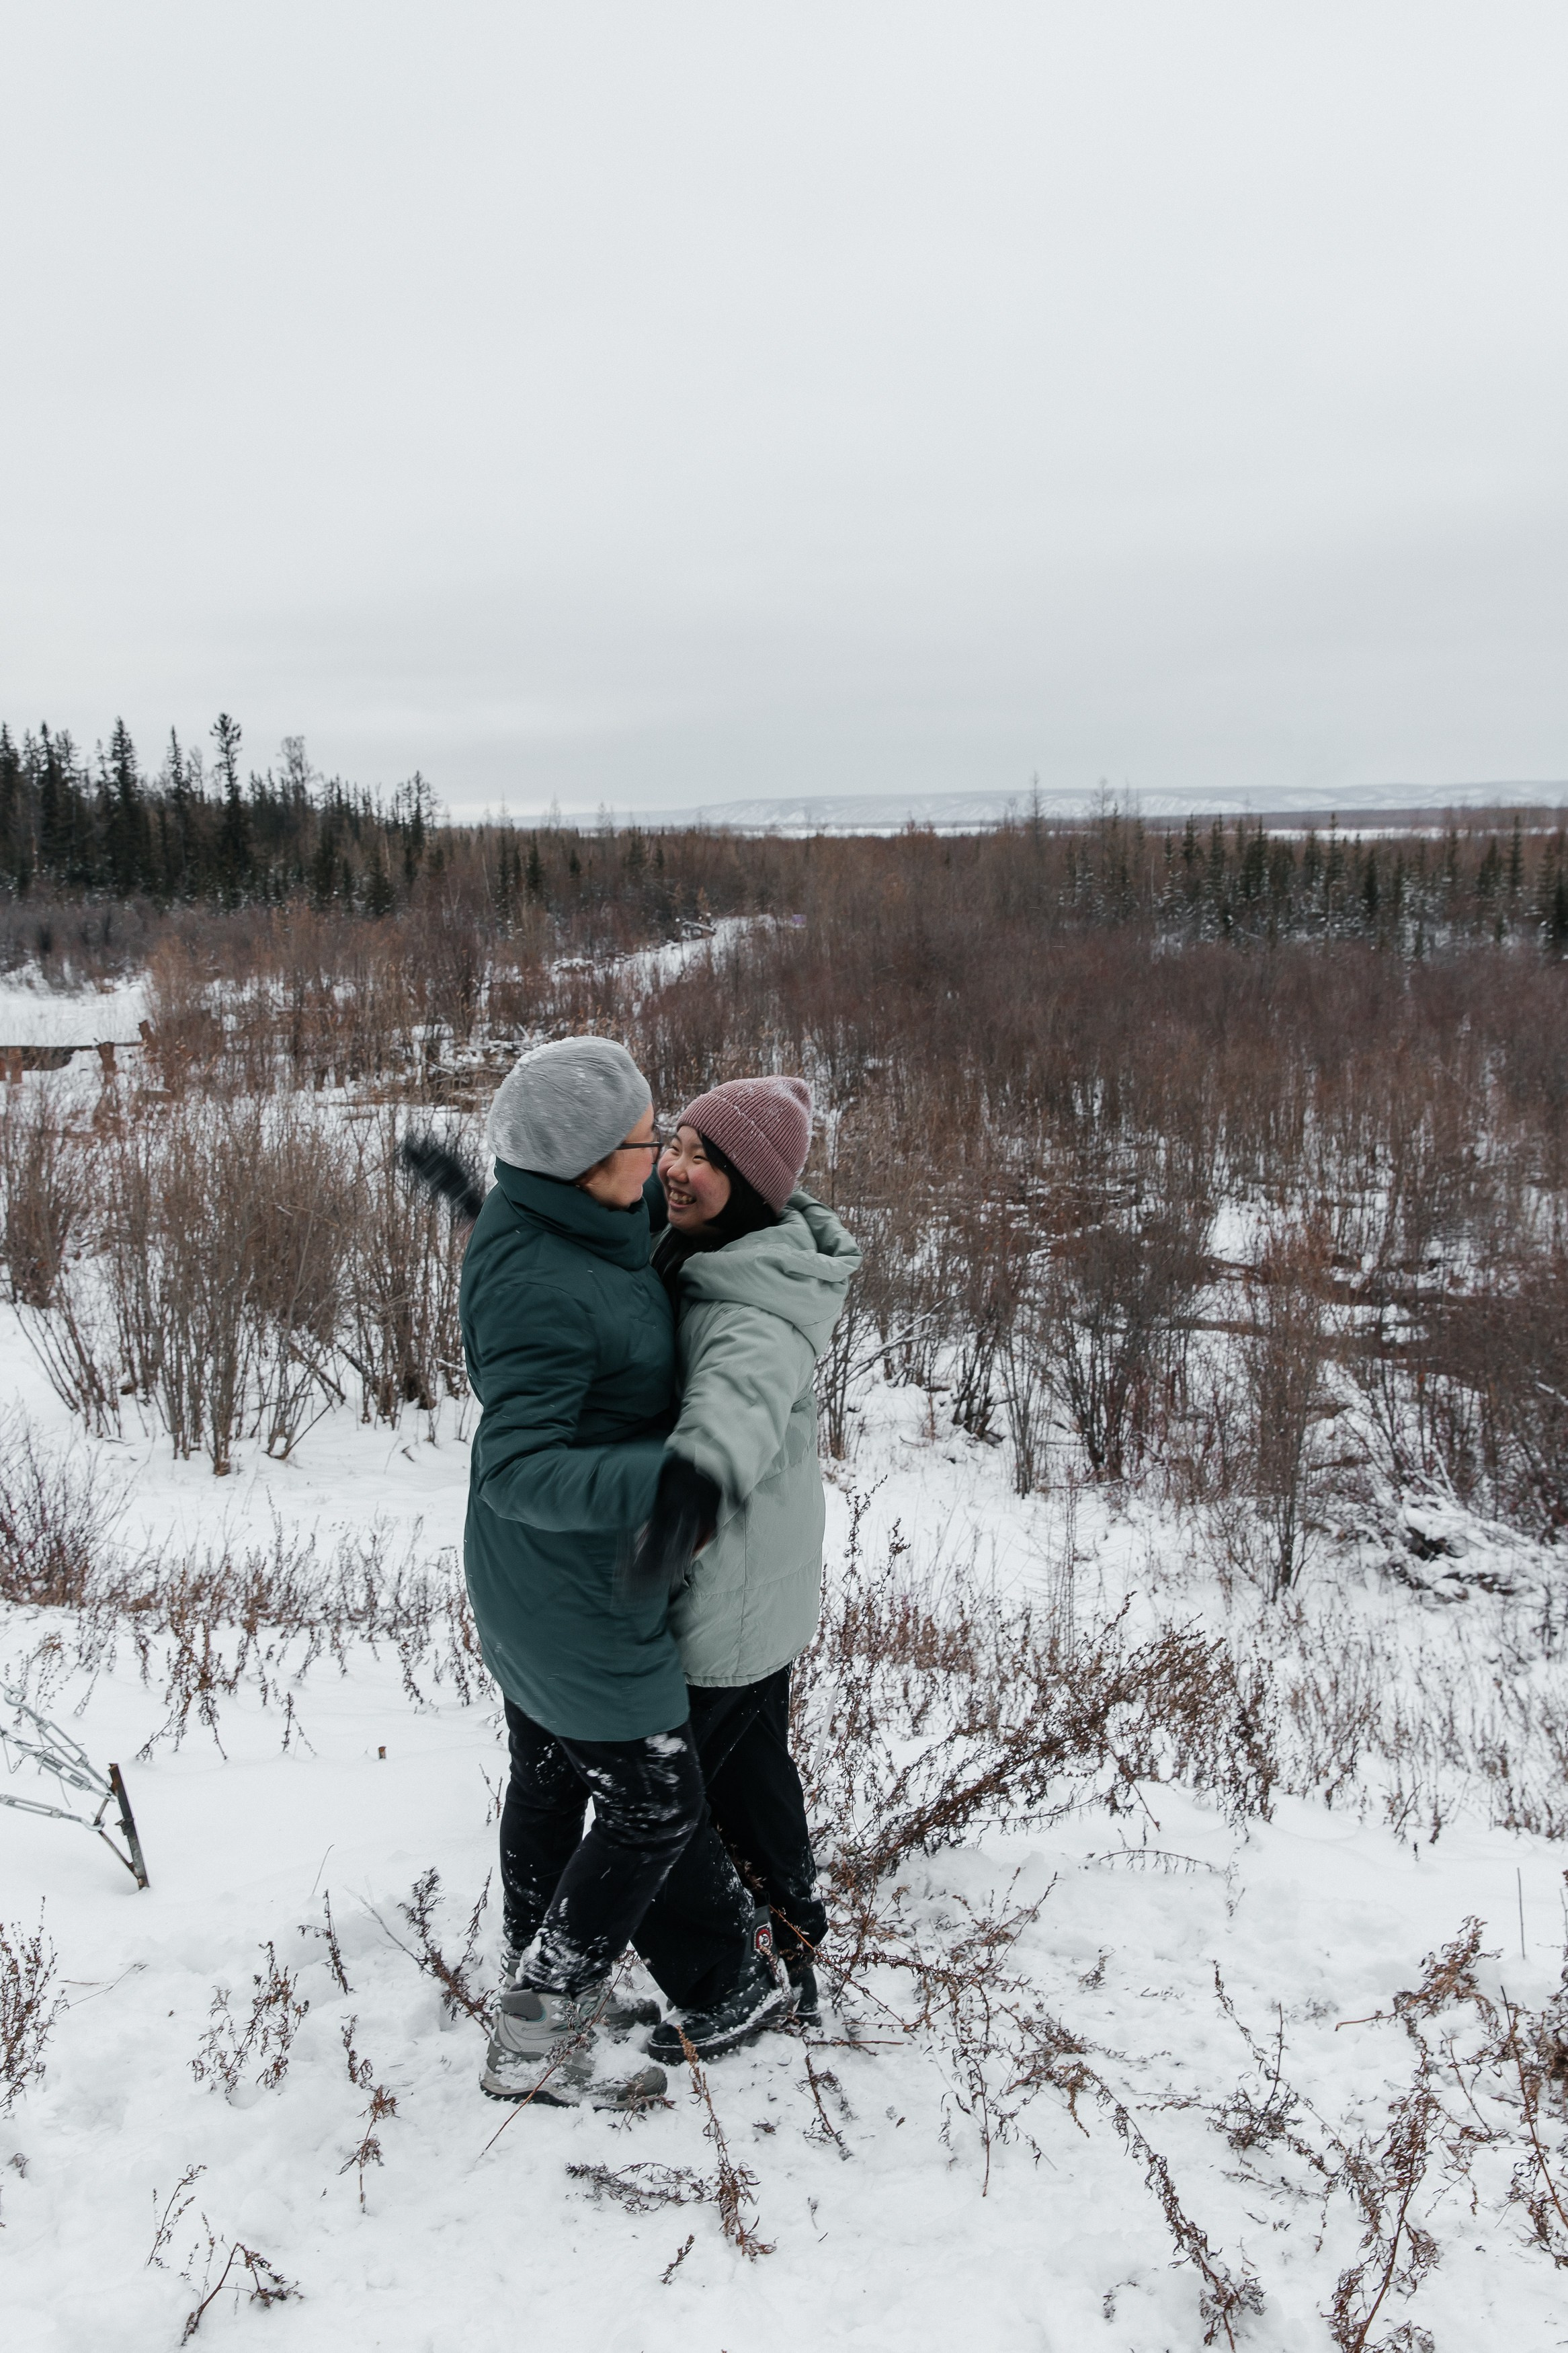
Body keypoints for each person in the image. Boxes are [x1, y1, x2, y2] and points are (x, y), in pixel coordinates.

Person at [458, 1036, 788, 2108]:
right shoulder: (547, 1278)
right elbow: (517, 1467)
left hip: (533, 1582)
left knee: (553, 1775)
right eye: (646, 1142)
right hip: (572, 1592)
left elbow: (584, 1266)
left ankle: (539, 1956)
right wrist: (675, 1476)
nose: (658, 1159)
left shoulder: (570, 1216)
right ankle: (533, 2040)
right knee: (653, 1800)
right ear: (588, 1164)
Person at [632, 1076, 860, 2052]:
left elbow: (731, 1418)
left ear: (754, 1187)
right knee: (750, 1773)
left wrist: (674, 1519)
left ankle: (752, 1971)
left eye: (703, 1160)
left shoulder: (753, 1312)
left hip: (724, 1593)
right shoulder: (716, 1243)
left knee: (670, 1793)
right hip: (757, 1584)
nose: (675, 1170)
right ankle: (797, 1942)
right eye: (675, 1144)